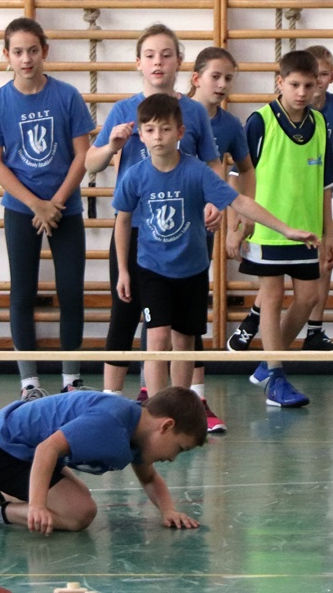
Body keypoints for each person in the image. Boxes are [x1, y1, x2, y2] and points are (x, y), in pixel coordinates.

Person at [114, 94, 318, 406]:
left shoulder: (197, 171)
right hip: (152, 269)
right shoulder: (135, 176)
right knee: (157, 338)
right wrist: (123, 270)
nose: (158, 137)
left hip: (192, 270)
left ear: (180, 132)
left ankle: (179, 404)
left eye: (166, 129)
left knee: (184, 342)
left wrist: (287, 230)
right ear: (141, 135)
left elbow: (241, 201)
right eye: (151, 130)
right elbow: (123, 221)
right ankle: (155, 408)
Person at [85, 24, 222, 403]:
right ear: (138, 63)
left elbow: (212, 163)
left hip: (183, 233)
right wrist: (111, 145)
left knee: (186, 323)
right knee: (125, 311)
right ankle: (110, 401)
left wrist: (213, 201)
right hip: (135, 231)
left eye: (166, 54)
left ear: (179, 62)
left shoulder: (194, 112)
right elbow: (91, 163)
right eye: (149, 55)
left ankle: (190, 401)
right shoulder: (122, 110)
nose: (158, 62)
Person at [0, 18, 95, 400]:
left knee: (71, 292)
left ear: (44, 51)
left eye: (32, 50)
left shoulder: (67, 96)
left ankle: (71, 378)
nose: (25, 59)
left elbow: (82, 155)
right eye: (17, 52)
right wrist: (35, 205)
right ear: (6, 56)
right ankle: (29, 383)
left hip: (65, 209)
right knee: (22, 293)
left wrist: (55, 203)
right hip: (21, 209)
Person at [224, 50, 333, 408]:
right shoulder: (260, 122)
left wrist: (329, 233)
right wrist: (235, 226)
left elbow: (325, 186)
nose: (302, 92)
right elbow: (237, 177)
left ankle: (268, 364)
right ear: (280, 83)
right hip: (267, 229)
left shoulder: (320, 124)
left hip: (307, 231)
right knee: (272, 298)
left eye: (309, 85)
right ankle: (276, 377)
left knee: (308, 298)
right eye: (294, 84)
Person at [0, 387, 207, 534]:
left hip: (24, 452)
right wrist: (37, 506)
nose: (173, 458)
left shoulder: (138, 433)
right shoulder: (109, 423)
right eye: (179, 448)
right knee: (79, 514)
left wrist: (168, 510)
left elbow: (149, 479)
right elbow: (47, 450)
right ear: (166, 426)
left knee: (79, 496)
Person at [185, 46, 256, 432]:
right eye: (215, 76)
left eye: (229, 78)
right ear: (196, 78)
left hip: (201, 230)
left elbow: (245, 171)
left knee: (193, 313)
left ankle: (196, 398)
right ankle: (150, 391)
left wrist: (239, 218)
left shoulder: (230, 126)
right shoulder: (174, 113)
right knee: (154, 316)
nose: (222, 84)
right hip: (161, 226)